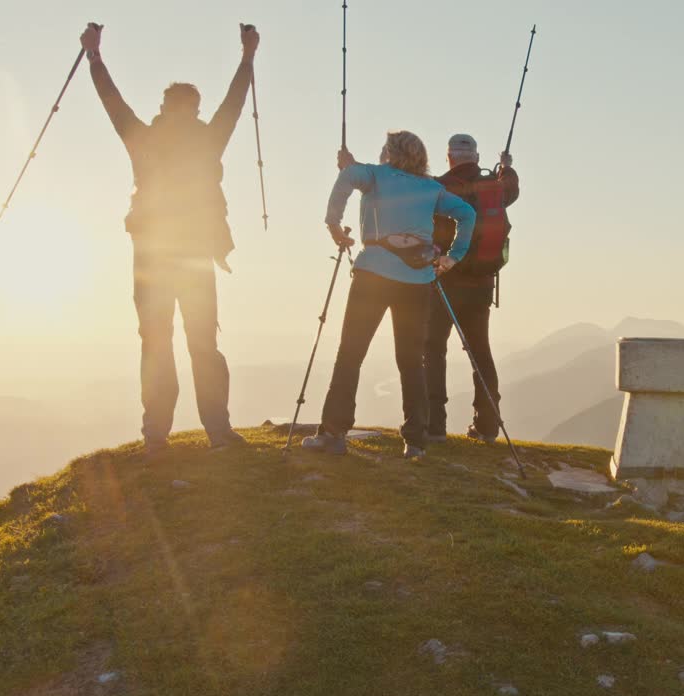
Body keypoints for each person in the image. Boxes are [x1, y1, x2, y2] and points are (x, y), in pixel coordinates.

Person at [79, 22, 259, 455]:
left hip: (151, 254)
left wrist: (94, 57)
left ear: (163, 106)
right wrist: (248, 56)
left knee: (156, 341)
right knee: (203, 342)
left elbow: (112, 102)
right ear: (195, 109)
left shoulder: (143, 138)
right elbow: (235, 104)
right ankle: (217, 431)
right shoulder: (207, 139)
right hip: (195, 252)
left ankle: (155, 436)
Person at [303, 132, 477, 458]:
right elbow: (467, 213)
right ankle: (415, 441)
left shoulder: (372, 175)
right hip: (417, 281)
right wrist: (452, 257)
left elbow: (346, 178)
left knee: (351, 353)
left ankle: (333, 433)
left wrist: (334, 226)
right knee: (411, 360)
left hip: (373, 275)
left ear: (391, 152)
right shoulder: (430, 188)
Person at [424, 134, 520, 443]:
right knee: (481, 353)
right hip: (481, 284)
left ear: (450, 157)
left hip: (445, 283)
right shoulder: (494, 188)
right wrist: (506, 167)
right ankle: (487, 425)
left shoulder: (439, 186)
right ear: (476, 158)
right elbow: (512, 189)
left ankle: (434, 424)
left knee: (433, 350)